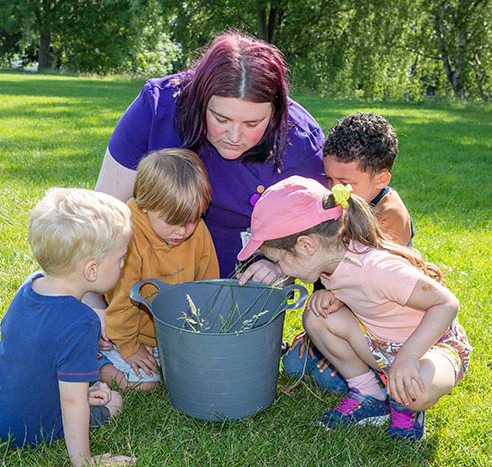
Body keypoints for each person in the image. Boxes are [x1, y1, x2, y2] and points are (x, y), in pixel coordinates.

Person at [237, 176, 471, 441]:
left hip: (431, 347)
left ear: (306, 246)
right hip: (384, 348)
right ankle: (369, 393)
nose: (280, 269)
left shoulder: (377, 269)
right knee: (317, 316)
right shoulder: (330, 264)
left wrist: (409, 357)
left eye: (278, 261)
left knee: (417, 390)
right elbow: (364, 296)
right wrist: (336, 297)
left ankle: (406, 406)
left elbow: (446, 303)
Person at [95, 30, 325, 280]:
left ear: (276, 112)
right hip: (147, 273)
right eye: (221, 119)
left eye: (252, 123)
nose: (234, 136)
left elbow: (324, 238)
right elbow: (105, 213)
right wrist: (93, 295)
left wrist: (281, 267)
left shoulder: (302, 142)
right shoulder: (157, 107)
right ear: (199, 100)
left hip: (247, 286)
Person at [0, 188, 136, 467]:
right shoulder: (82, 322)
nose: (124, 264)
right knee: (114, 402)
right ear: (91, 270)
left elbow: (28, 348)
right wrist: (85, 462)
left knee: (12, 362)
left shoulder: (32, 284)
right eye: (120, 259)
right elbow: (72, 401)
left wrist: (84, 390)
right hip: (23, 429)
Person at [282, 112, 415, 393]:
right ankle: (332, 347)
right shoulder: (335, 205)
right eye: (329, 179)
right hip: (339, 315)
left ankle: (376, 374)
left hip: (381, 325)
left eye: (344, 183)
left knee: (325, 377)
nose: (333, 190)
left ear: (381, 179)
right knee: (294, 364)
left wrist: (337, 299)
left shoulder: (390, 216)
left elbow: (378, 288)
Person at [98, 148, 220, 391]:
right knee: (148, 385)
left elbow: (208, 287)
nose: (182, 231)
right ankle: (98, 362)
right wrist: (130, 348)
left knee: (208, 374)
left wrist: (201, 338)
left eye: (192, 220)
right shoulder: (129, 237)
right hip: (129, 334)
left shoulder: (198, 231)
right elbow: (123, 302)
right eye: (172, 222)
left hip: (174, 335)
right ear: (145, 205)